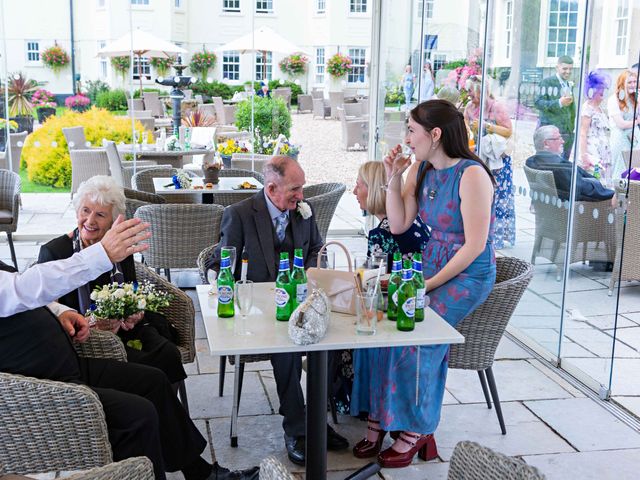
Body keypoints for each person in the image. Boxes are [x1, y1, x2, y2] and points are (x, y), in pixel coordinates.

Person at [0, 222, 258, 480]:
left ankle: (200, 474)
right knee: (139, 415)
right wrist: (102, 254)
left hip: (66, 362)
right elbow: (23, 288)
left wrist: (60, 311)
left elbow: (15, 289)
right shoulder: (56, 249)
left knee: (154, 380)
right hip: (44, 385)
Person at [351, 99, 496, 468]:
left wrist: (427, 285)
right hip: (428, 267)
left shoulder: (472, 175)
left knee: (418, 333)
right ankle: (379, 416)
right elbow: (399, 225)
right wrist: (395, 176)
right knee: (376, 321)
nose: (407, 138)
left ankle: (417, 429)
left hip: (467, 273)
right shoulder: (421, 169)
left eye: (412, 130)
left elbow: (475, 246)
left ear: (435, 134)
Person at [213, 155, 348, 465]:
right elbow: (225, 264)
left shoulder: (304, 211)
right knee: (287, 349)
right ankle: (297, 428)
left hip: (302, 301)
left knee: (333, 343)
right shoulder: (239, 215)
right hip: (261, 312)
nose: (301, 196)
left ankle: (316, 419)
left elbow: (316, 248)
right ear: (272, 188)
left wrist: (313, 275)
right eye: (295, 189)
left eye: (301, 189)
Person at [38, 176, 186, 386]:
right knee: (148, 372)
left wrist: (135, 314)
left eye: (100, 215)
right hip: (86, 341)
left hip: (125, 329)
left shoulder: (120, 248)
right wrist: (92, 323)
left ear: (113, 221)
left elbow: (132, 292)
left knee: (169, 354)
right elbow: (47, 313)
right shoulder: (55, 252)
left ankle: (162, 412)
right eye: (85, 210)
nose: (90, 221)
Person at [464, 75, 515, 249]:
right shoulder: (469, 108)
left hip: (497, 160)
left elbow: (508, 131)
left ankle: (497, 236)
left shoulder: (497, 106)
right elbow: (466, 132)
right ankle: (480, 234)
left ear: (480, 90)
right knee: (481, 196)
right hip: (478, 157)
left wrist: (487, 126)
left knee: (498, 196)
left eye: (471, 90)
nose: (468, 94)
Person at [526, 126, 614, 202]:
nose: (563, 141)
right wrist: (613, 194)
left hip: (550, 211)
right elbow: (586, 191)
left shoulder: (531, 162)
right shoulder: (558, 167)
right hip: (576, 212)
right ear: (546, 143)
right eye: (558, 138)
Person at [535, 55, 576, 159]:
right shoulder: (547, 82)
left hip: (567, 134)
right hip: (551, 135)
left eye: (570, 69)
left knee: (563, 166)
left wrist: (571, 130)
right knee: (550, 165)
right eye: (565, 68)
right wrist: (559, 103)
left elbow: (571, 110)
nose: (568, 71)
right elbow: (538, 103)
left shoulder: (569, 84)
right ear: (557, 68)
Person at [578, 70, 612, 183]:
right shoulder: (587, 108)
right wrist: (584, 156)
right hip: (593, 154)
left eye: (603, 88)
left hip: (602, 153)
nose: (602, 90)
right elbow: (582, 133)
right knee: (595, 180)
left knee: (604, 183)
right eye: (600, 88)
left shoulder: (600, 108)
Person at [608, 69, 640, 179]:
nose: (633, 85)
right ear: (623, 83)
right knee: (619, 169)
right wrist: (636, 122)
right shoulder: (614, 99)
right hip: (621, 139)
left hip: (635, 139)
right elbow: (620, 124)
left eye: (635, 82)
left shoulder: (634, 98)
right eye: (630, 82)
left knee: (634, 170)